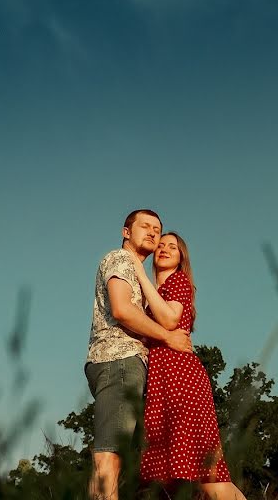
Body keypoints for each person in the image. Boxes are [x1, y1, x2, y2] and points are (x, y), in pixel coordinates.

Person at [85, 209, 193, 500]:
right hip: (118, 360)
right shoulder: (120, 259)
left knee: (113, 455)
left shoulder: (138, 272)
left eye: (156, 229)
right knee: (109, 455)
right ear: (125, 232)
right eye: (144, 226)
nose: (152, 233)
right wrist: (168, 336)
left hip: (120, 363)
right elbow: (122, 310)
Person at [131, 232, 248, 500]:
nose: (164, 248)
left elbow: (170, 320)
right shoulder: (159, 291)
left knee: (206, 471)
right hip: (164, 383)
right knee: (171, 475)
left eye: (173, 246)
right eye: (160, 244)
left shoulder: (179, 282)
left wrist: (138, 271)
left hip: (181, 379)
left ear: (182, 257)